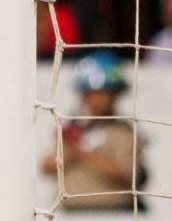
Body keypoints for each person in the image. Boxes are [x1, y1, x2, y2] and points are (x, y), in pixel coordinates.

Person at [40, 51, 146, 211]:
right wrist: (69, 151)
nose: (98, 99)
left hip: (115, 214)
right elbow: (47, 167)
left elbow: (127, 175)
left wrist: (82, 152)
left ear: (115, 95)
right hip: (73, 214)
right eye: (91, 94)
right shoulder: (72, 128)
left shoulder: (123, 131)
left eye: (104, 93)